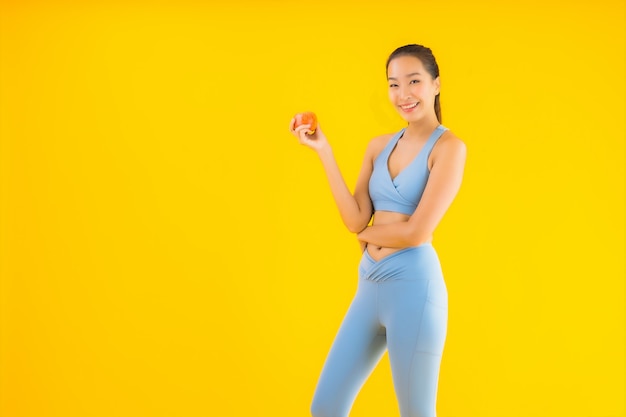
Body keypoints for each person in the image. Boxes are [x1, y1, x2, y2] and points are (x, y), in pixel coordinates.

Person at [289, 44, 467, 417]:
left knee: (416, 413)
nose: (403, 94)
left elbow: (416, 232)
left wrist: (367, 236)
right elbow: (355, 219)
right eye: (393, 84)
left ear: (435, 84)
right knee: (325, 407)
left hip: (414, 290)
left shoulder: (449, 148)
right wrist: (324, 150)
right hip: (369, 286)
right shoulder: (378, 146)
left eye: (414, 81)